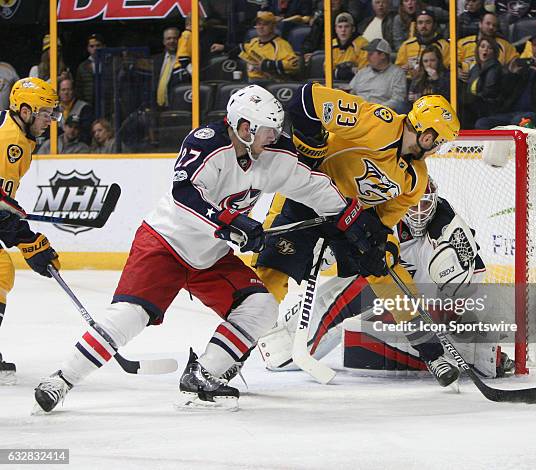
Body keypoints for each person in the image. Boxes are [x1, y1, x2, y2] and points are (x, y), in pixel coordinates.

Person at [33, 85, 380, 412]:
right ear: (244, 126)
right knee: (129, 316)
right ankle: (61, 380)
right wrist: (232, 223)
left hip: (210, 256)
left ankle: (203, 376)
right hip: (165, 243)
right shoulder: (207, 143)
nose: (274, 136)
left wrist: (350, 219)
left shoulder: (273, 155)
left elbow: (312, 185)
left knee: (261, 307)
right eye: (266, 130)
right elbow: (186, 195)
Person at [254, 83, 463, 387]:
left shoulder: (416, 179)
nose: (437, 148)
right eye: (439, 141)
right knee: (269, 274)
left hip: (348, 218)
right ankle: (229, 354)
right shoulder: (377, 123)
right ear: (427, 134)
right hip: (307, 198)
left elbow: (381, 223)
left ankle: (431, 352)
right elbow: (306, 98)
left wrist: (379, 245)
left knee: (388, 268)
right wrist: (310, 150)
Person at [258, 178, 515, 379]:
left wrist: (467, 317)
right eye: (413, 205)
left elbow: (474, 280)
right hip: (386, 291)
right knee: (341, 295)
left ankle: (478, 356)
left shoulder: (447, 229)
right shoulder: (384, 214)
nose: (418, 213)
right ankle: (283, 345)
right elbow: (350, 242)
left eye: (425, 204)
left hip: (423, 303)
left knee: (479, 356)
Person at [0, 78, 62, 384]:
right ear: (25, 111)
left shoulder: (18, 136)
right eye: (45, 113)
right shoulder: (8, 140)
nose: (50, 120)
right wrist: (28, 240)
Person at [475, 30, 536, 130]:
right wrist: (512, 74)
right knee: (482, 123)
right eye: (534, 45)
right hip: (512, 113)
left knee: (518, 121)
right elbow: (505, 92)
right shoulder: (524, 66)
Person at [348, 38, 408, 113]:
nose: (367, 57)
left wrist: (376, 109)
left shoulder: (397, 73)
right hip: (357, 111)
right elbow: (351, 92)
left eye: (371, 54)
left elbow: (398, 99)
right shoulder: (363, 72)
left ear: (382, 55)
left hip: (380, 113)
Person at [238, 11, 299, 83]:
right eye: (259, 24)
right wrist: (223, 47)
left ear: (273, 26)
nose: (261, 27)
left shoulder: (282, 45)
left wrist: (267, 65)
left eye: (265, 24)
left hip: (269, 83)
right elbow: (240, 49)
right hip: (250, 82)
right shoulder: (254, 41)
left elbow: (294, 64)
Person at [457, 11, 518, 82]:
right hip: (464, 84)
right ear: (480, 24)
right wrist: (456, 71)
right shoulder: (462, 43)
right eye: (488, 23)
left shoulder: (505, 46)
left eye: (494, 25)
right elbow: (451, 63)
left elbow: (515, 65)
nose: (491, 27)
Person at [395, 9, 450, 80]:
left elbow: (447, 69)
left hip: (435, 83)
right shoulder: (407, 45)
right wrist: (402, 69)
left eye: (428, 22)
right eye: (420, 23)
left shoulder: (444, 45)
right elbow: (397, 68)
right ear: (416, 26)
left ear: (434, 25)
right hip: (409, 83)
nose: (424, 26)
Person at [465, 36, 504, 124]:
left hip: (488, 107)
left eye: (489, 48)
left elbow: (488, 92)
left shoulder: (495, 68)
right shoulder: (475, 68)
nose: (485, 50)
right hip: (474, 105)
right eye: (482, 46)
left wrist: (470, 99)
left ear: (494, 52)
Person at [331, 13, 369, 81]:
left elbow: (363, 72)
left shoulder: (362, 43)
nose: (343, 30)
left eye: (347, 26)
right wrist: (348, 71)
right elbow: (327, 71)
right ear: (336, 29)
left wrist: (338, 72)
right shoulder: (332, 44)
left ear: (353, 29)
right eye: (340, 27)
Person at [57, 78, 93, 143]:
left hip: (77, 146)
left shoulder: (84, 108)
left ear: (73, 91)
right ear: (59, 92)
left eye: (69, 89)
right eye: (63, 90)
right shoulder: (55, 109)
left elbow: (86, 132)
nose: (66, 93)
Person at [152, 27, 179, 109]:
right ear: (164, 42)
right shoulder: (156, 60)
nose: (172, 41)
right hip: (158, 108)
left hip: (177, 107)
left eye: (175, 38)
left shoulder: (184, 59)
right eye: (168, 38)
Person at [75, 34, 105, 106]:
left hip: (107, 106)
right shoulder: (82, 67)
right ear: (88, 48)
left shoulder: (111, 65)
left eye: (98, 45)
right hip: (89, 106)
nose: (95, 48)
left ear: (104, 47)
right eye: (92, 46)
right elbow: (79, 90)